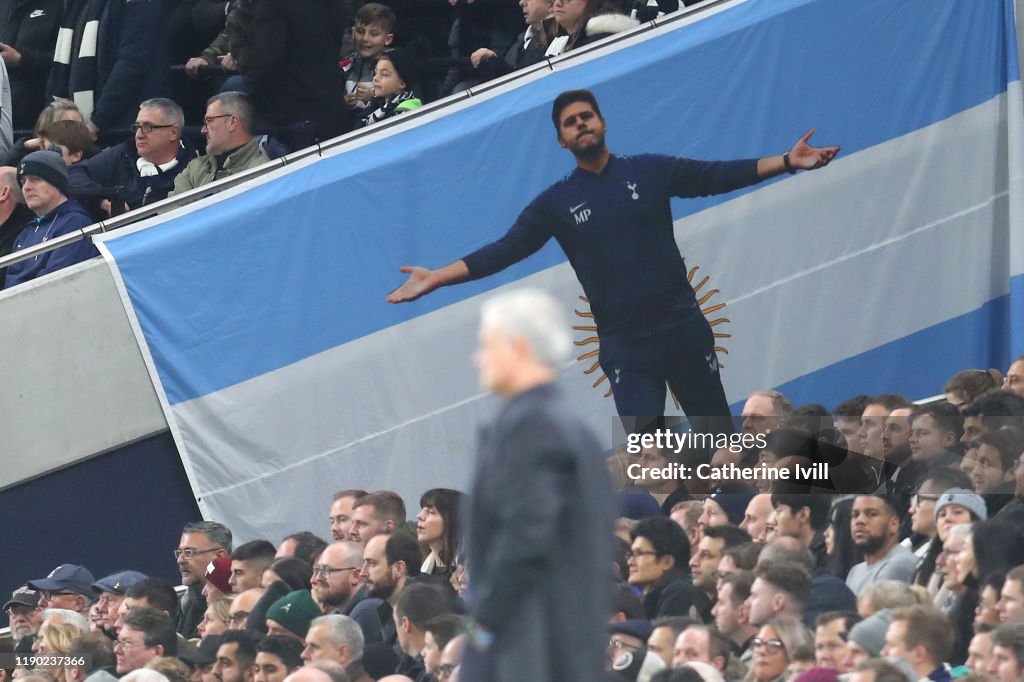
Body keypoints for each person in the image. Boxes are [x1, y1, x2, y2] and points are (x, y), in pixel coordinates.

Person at [387, 89, 839, 423]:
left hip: (683, 329)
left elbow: (716, 176)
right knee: (647, 458)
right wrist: (439, 277)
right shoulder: (555, 203)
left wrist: (786, 161)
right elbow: (506, 249)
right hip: (627, 349)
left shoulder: (650, 170)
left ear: (603, 124)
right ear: (562, 141)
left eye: (587, 116)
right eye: (570, 122)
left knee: (716, 441)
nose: (581, 124)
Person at [458, 288, 614, 682]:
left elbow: (525, 536)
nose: (479, 358)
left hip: (526, 649)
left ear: (519, 348)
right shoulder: (577, 431)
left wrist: (480, 627)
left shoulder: (530, 426)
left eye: (486, 345)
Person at [69, 99, 195, 215]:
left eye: (147, 127)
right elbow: (72, 175)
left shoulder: (194, 170)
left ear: (173, 132)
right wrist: (102, 198)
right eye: (137, 127)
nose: (139, 135)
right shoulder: (123, 153)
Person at [171, 92, 270, 196]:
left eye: (209, 121)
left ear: (232, 122)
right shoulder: (194, 168)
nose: (203, 130)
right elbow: (171, 210)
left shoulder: (262, 174)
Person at [341, 4, 395, 114]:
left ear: (388, 39)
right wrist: (343, 101)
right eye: (360, 31)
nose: (365, 38)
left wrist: (373, 98)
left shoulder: (395, 67)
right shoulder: (346, 65)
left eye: (374, 34)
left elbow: (402, 105)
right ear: (353, 33)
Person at [360, 47, 423, 127]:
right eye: (376, 72)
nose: (375, 78)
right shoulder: (376, 103)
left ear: (402, 83)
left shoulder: (405, 113)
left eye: (384, 74)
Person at [415, 488, 463, 578]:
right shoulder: (418, 572)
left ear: (452, 520)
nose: (419, 516)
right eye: (422, 510)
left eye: (431, 512)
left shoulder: (465, 579)